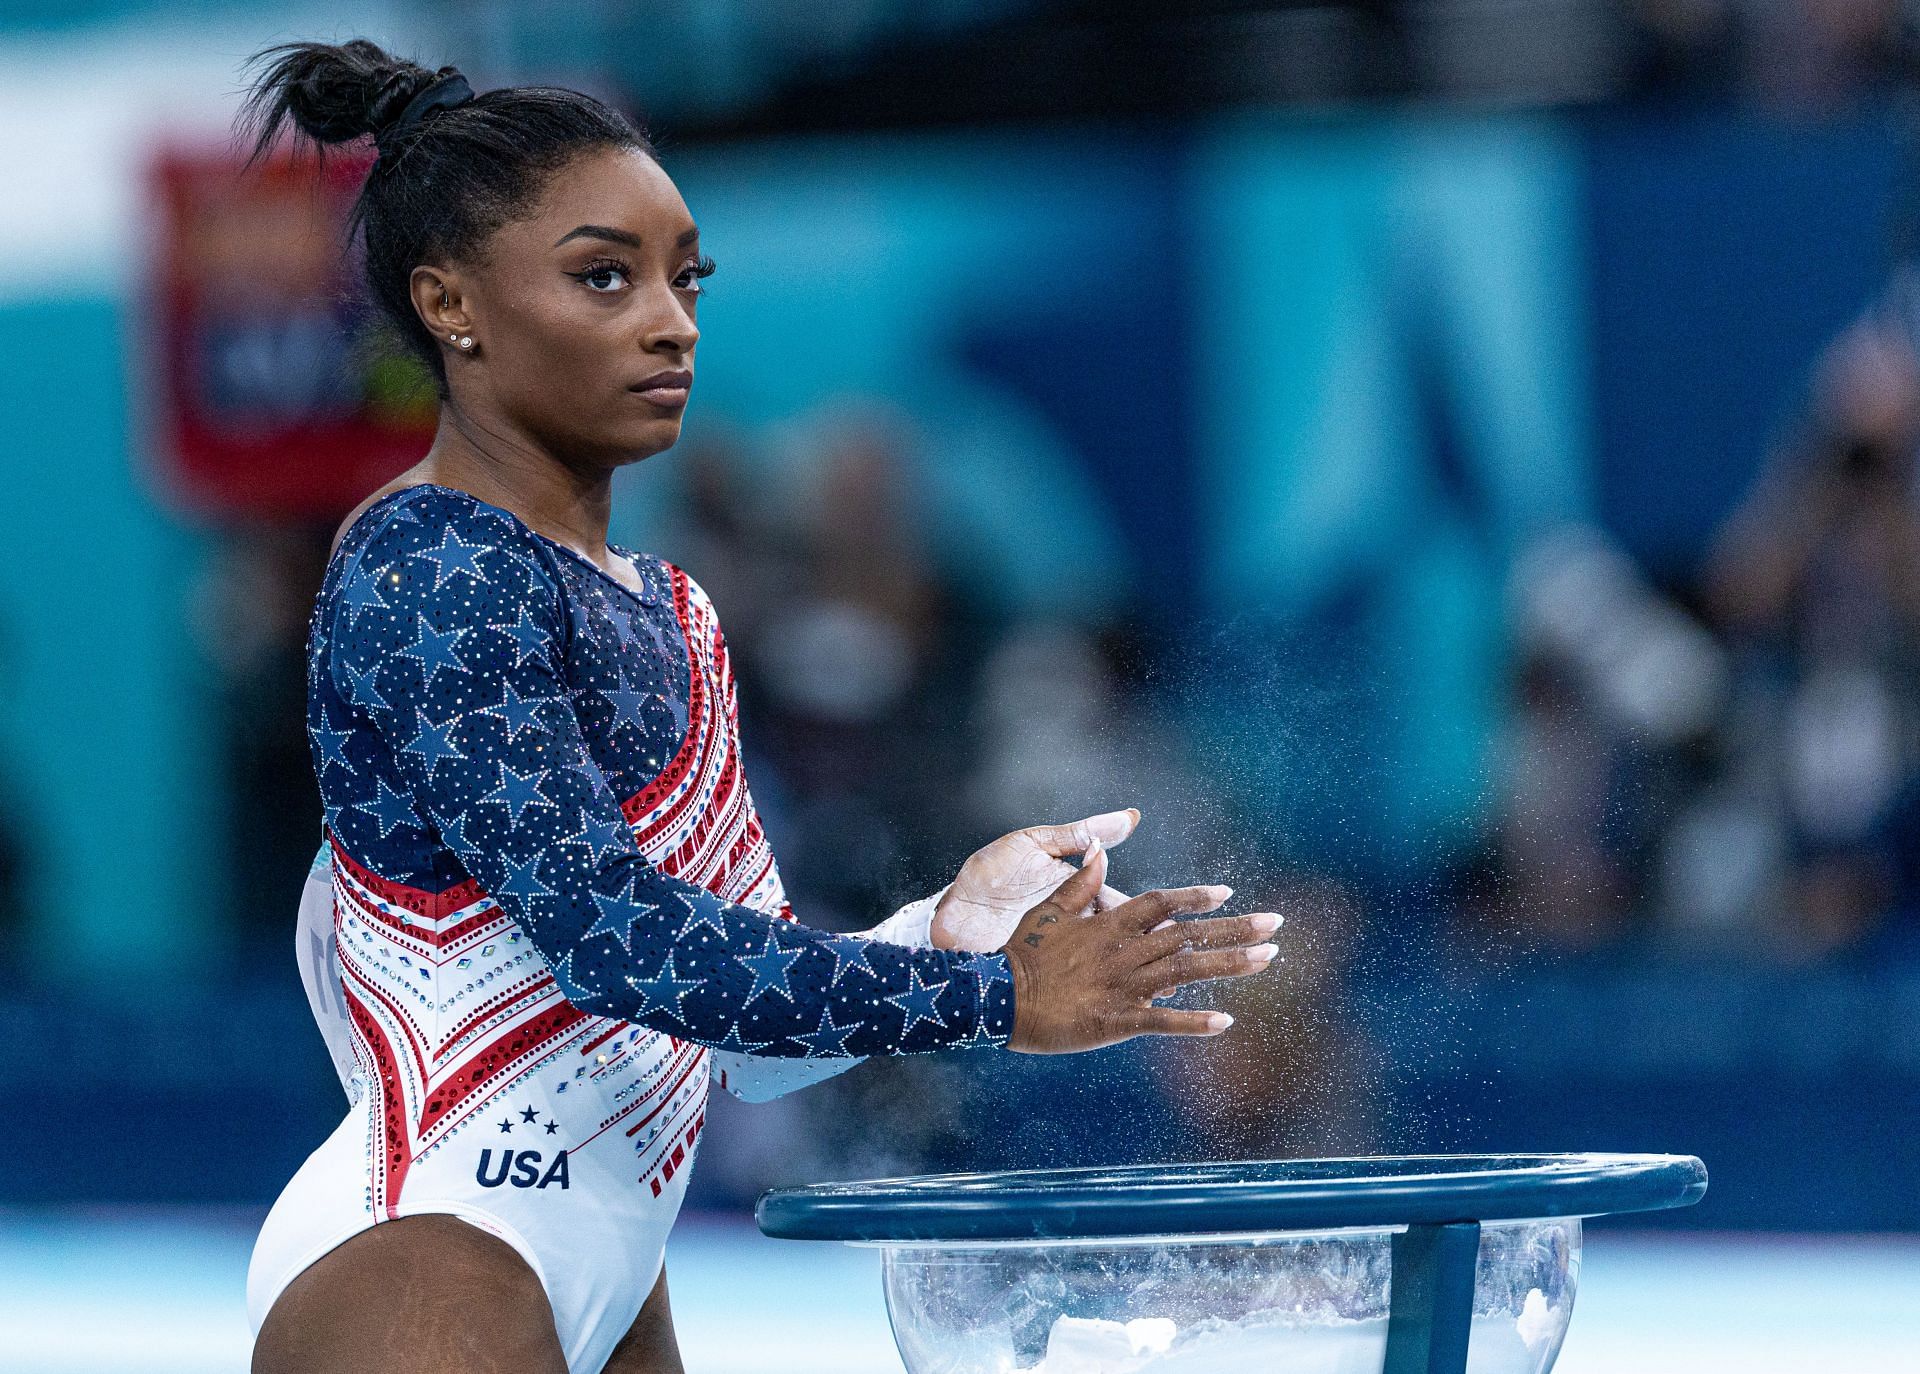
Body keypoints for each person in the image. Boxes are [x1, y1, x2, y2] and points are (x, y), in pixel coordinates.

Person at [234, 40, 1283, 1374]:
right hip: (430, 1255)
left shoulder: (675, 611)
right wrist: (992, 996)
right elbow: (617, 939)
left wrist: (948, 926)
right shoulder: (430, 564)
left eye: (685, 278)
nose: (671, 321)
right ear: (454, 306)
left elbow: (745, 1034)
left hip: (605, 1276)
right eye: (603, 276)